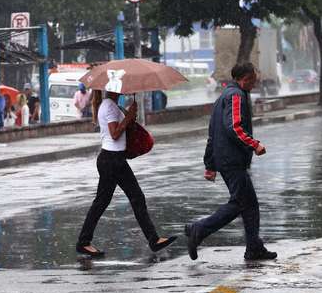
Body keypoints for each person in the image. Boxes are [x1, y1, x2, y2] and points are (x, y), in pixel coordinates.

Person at [185, 62, 276, 261]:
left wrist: (210, 164)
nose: (255, 82)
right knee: (239, 203)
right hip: (232, 160)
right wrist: (254, 144)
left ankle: (254, 247)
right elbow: (233, 127)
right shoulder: (235, 95)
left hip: (226, 159)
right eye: (254, 79)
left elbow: (212, 132)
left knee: (249, 204)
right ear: (246, 78)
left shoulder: (223, 96)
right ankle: (198, 229)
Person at [76, 89, 176, 257]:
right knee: (135, 197)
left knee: (103, 202)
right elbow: (115, 134)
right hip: (112, 160)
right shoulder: (109, 106)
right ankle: (153, 239)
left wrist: (129, 118)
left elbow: (119, 131)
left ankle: (83, 242)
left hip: (112, 159)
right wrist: (128, 117)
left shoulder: (112, 105)